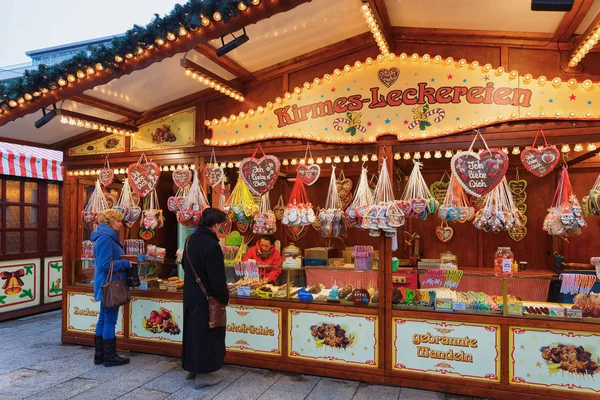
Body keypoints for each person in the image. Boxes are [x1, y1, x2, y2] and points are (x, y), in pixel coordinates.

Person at [182, 208, 230, 389]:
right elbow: (217, 278)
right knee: (208, 333)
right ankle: (204, 374)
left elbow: (185, 265)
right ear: (216, 224)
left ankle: (192, 368)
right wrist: (223, 297)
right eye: (221, 224)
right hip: (207, 297)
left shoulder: (190, 240)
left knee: (192, 330)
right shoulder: (212, 245)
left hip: (191, 294)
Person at [91, 209, 133, 367]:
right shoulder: (106, 239)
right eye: (117, 221)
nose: (120, 224)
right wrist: (126, 263)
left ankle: (100, 355)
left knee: (103, 319)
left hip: (105, 283)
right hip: (110, 285)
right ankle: (110, 356)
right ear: (109, 222)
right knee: (109, 320)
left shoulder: (104, 237)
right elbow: (104, 264)